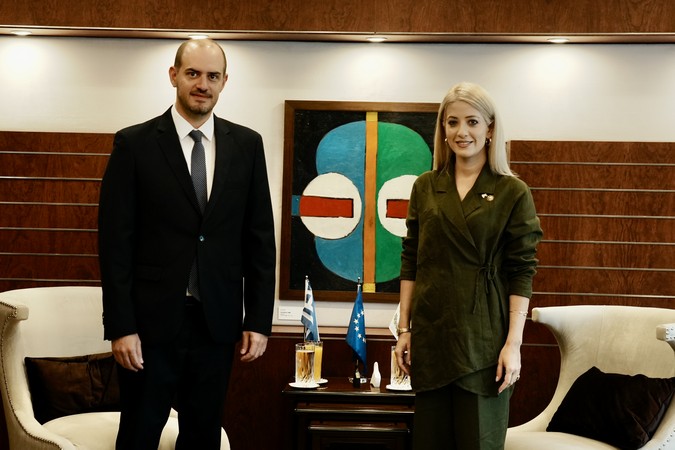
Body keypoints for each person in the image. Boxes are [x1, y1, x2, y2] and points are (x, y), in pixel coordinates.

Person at [98, 38, 276, 449]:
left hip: (217, 323)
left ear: (225, 82)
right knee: (139, 435)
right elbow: (115, 244)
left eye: (212, 76)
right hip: (149, 326)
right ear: (173, 75)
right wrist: (121, 327)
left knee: (202, 438)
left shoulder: (247, 145)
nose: (202, 84)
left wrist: (258, 320)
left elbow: (260, 240)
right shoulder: (134, 144)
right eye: (193, 73)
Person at [394, 82, 543, 450]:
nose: (462, 132)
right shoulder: (425, 186)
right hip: (432, 335)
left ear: (490, 129)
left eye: (472, 122)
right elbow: (411, 260)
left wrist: (514, 344)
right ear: (443, 129)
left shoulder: (512, 191)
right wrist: (404, 330)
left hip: (484, 340)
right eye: (453, 122)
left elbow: (522, 270)